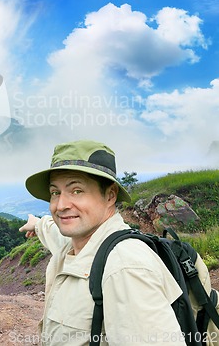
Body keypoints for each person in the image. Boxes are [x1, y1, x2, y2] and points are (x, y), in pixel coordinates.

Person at [19, 139, 186, 345]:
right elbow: (54, 232)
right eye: (55, 192)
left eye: (77, 191)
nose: (60, 205)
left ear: (110, 195)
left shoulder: (125, 267)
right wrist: (36, 224)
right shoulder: (76, 243)